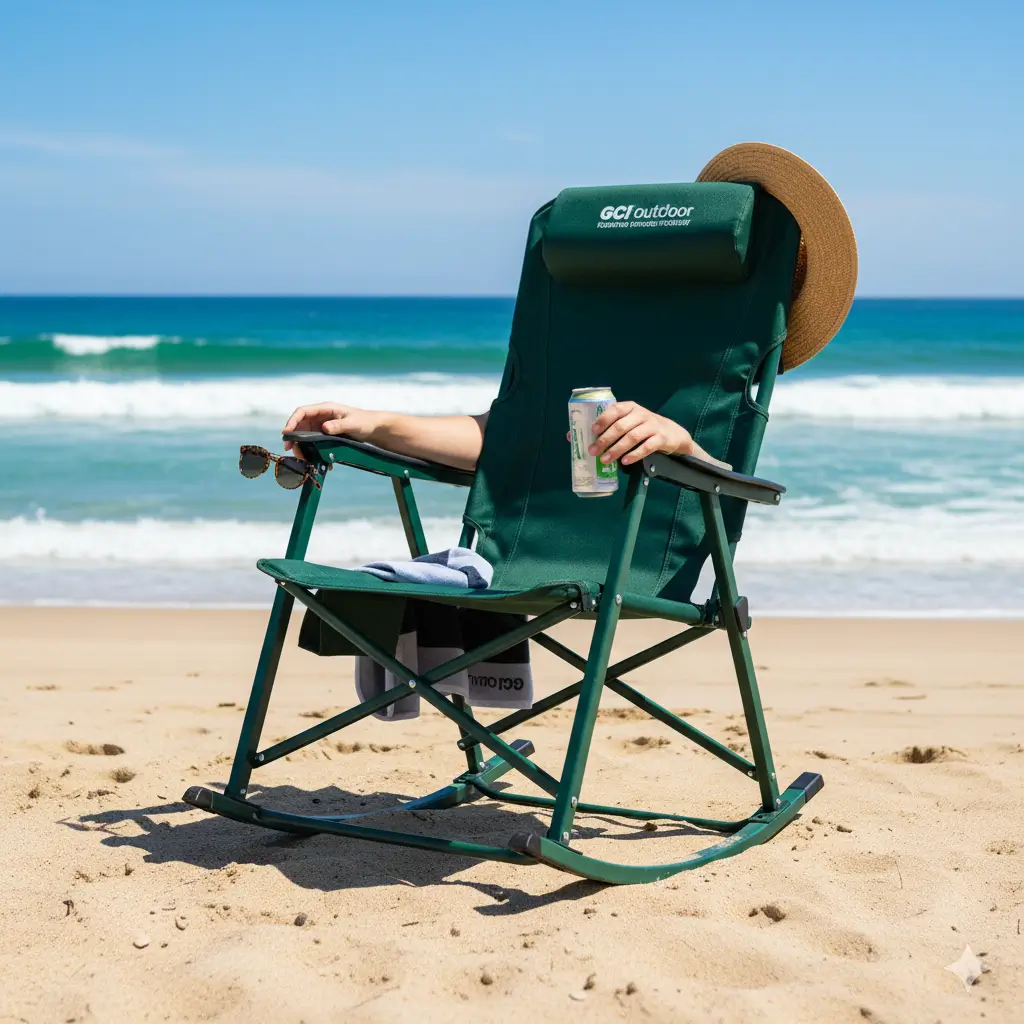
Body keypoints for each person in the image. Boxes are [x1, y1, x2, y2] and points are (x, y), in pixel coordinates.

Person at [282, 400, 726, 472]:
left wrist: (683, 445)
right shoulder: (588, 328)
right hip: (522, 555)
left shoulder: (725, 369)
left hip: (649, 562)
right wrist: (373, 425)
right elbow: (503, 437)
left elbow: (731, 491)